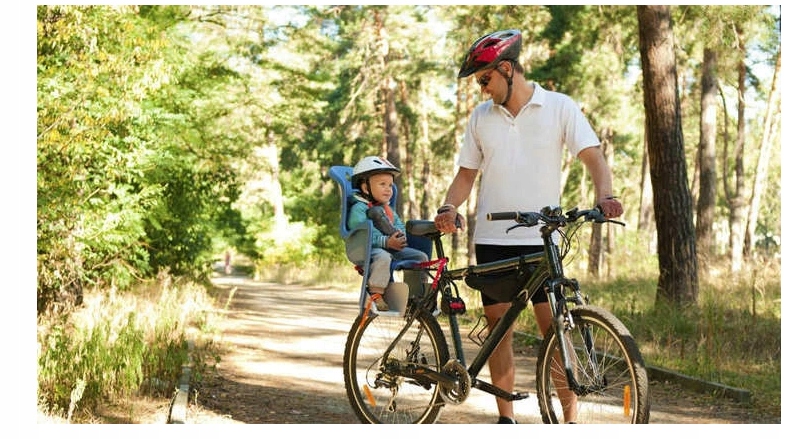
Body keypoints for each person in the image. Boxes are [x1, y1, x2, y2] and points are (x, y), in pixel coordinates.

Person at [434, 29, 624, 424]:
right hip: (492, 239)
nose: (483, 89)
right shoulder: (481, 117)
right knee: (498, 331)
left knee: (555, 331)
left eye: (485, 79)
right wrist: (450, 206)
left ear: (507, 69)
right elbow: (466, 175)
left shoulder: (558, 106)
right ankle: (506, 419)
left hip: (543, 239)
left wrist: (605, 196)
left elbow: (592, 156)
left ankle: (569, 423)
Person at [348, 156, 428, 311]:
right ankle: (376, 293)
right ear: (365, 188)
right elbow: (361, 234)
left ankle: (416, 296)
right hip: (367, 248)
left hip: (391, 246)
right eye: (382, 184)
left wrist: (400, 236)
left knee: (421, 257)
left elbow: (398, 224)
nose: (388, 189)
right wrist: (386, 241)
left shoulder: (386, 208)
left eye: (390, 185)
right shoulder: (359, 209)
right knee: (383, 256)